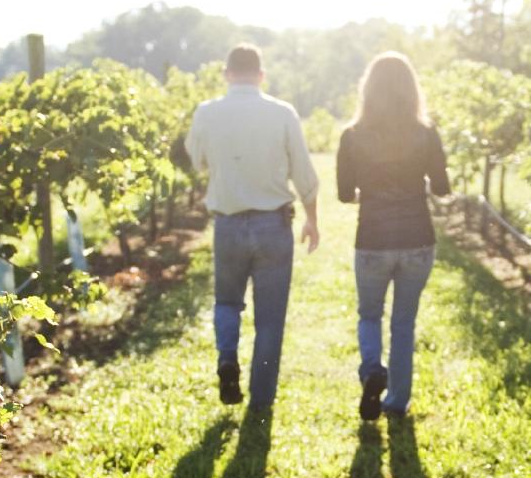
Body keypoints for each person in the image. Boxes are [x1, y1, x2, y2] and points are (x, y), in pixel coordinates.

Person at [183, 44, 321, 409]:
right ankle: (261, 400)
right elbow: (304, 175)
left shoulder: (206, 113)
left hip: (228, 225)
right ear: (261, 76)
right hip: (273, 225)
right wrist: (313, 219)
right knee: (270, 319)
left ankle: (227, 358)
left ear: (227, 74)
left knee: (227, 302)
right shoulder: (283, 113)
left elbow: (195, 161)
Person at [335, 52, 452, 421]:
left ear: (367, 90)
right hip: (418, 238)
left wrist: (369, 192)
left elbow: (342, 193)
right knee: (404, 323)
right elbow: (443, 189)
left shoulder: (352, 136)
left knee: (369, 315)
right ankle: (397, 402)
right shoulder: (426, 133)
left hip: (372, 239)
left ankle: (372, 370)